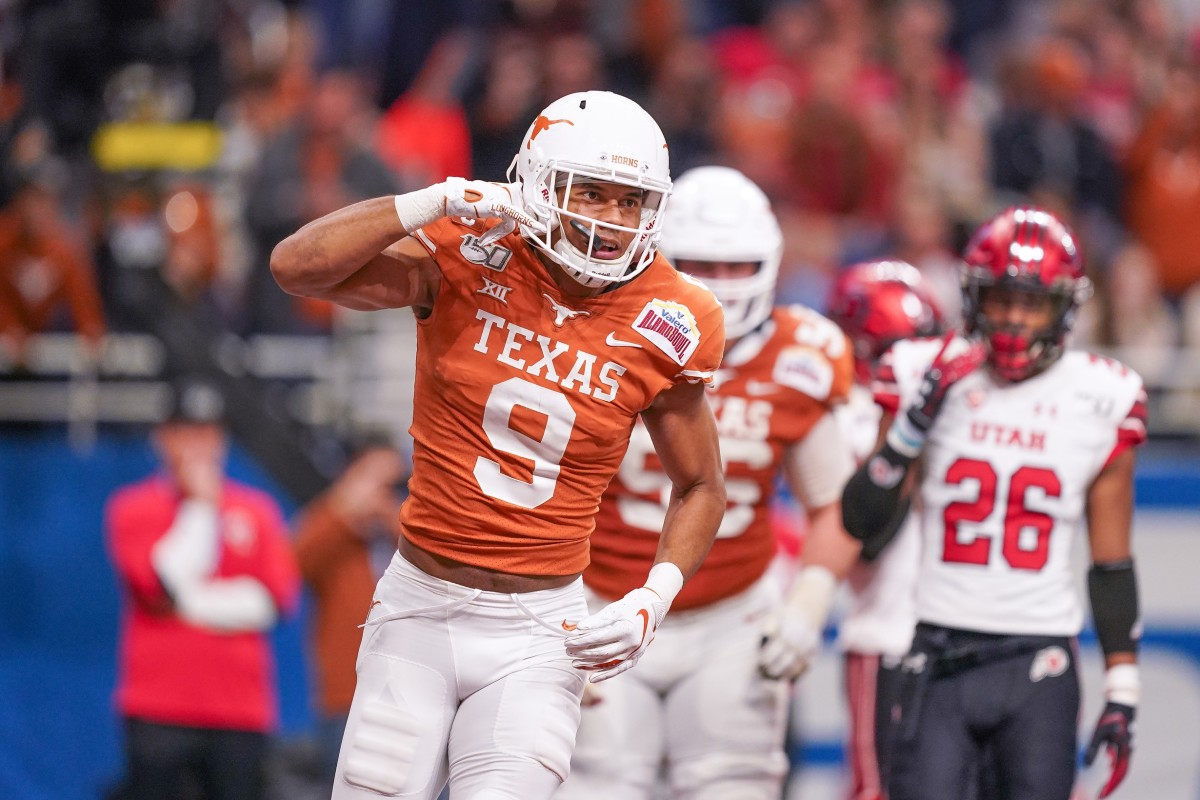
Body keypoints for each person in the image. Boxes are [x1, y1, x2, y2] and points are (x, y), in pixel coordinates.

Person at [270, 90, 728, 800]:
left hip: (541, 629)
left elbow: (700, 483)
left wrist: (653, 597)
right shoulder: (468, 253)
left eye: (630, 201)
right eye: (593, 193)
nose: (610, 221)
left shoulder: (673, 314)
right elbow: (296, 266)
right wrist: (430, 202)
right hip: (420, 605)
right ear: (541, 184)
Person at [556, 165, 858, 799]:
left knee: (733, 786)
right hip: (604, 603)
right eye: (700, 264)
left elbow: (832, 505)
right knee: (595, 786)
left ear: (770, 264)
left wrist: (809, 604)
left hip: (732, 615)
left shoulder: (801, 355)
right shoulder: (602, 332)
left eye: (736, 267)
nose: (719, 287)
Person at [841, 206, 1145, 800]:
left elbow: (1111, 562)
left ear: (1065, 307)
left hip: (1040, 662)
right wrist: (912, 425)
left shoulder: (1102, 396)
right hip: (936, 650)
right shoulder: (925, 372)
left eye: (1032, 303)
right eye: (1001, 299)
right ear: (974, 297)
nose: (1013, 319)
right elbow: (863, 524)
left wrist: (1123, 689)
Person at [105, 377, 301, 800]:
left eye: (209, 432)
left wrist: (186, 601)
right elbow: (159, 585)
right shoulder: (132, 508)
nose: (199, 444)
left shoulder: (258, 510)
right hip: (157, 709)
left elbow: (273, 601)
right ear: (163, 439)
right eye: (186, 431)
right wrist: (201, 506)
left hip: (239, 713)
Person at [826, 260, 944, 800]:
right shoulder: (845, 419)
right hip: (886, 634)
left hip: (962, 631)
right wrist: (912, 438)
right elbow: (869, 536)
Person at [293, 436, 407, 785]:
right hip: (347, 694)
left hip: (414, 689)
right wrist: (344, 509)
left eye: (392, 482)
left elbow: (444, 567)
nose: (381, 491)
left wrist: (392, 517)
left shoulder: (411, 527)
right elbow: (293, 563)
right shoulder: (334, 526)